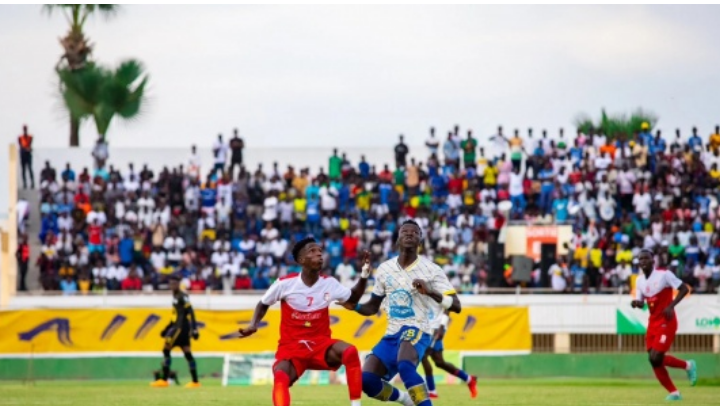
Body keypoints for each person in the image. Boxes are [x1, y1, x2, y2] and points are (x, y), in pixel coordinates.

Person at [238, 237, 370, 406]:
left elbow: (354, 298)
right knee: (280, 377)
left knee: (350, 352)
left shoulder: (329, 283)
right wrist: (253, 324)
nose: (319, 255)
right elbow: (263, 303)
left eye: (320, 252)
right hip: (292, 348)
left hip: (321, 345)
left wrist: (365, 274)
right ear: (301, 260)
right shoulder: (284, 284)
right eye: (313, 251)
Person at [343, 220, 461, 406]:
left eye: (415, 232)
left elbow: (456, 306)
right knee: (366, 380)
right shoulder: (384, 269)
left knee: (405, 366)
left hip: (419, 328)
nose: (409, 234)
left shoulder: (432, 270)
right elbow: (373, 307)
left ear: (420, 240)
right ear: (398, 238)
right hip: (392, 334)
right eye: (405, 231)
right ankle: (405, 399)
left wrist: (430, 291)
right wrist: (355, 307)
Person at [631, 250, 697, 401]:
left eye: (646, 258)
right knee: (653, 359)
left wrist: (671, 305)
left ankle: (688, 367)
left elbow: (684, 289)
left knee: (656, 356)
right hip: (653, 322)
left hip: (667, 321)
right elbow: (642, 303)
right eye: (640, 259)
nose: (643, 261)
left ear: (653, 261)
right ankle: (675, 392)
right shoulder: (639, 280)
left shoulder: (664, 275)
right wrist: (637, 303)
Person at [151, 275, 201, 388]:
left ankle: (164, 380)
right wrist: (166, 328)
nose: (172, 286)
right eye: (171, 284)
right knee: (187, 353)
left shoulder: (182, 296)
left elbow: (191, 312)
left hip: (180, 328)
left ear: (179, 284)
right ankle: (195, 381)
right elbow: (175, 316)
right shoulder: (175, 296)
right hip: (177, 327)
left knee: (166, 350)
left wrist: (194, 328)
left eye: (174, 283)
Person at [420, 309, 477, 399]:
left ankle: (432, 391)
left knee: (430, 359)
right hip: (425, 327)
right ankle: (469, 379)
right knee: (434, 360)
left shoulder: (441, 295)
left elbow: (447, 308)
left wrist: (441, 327)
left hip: (436, 328)